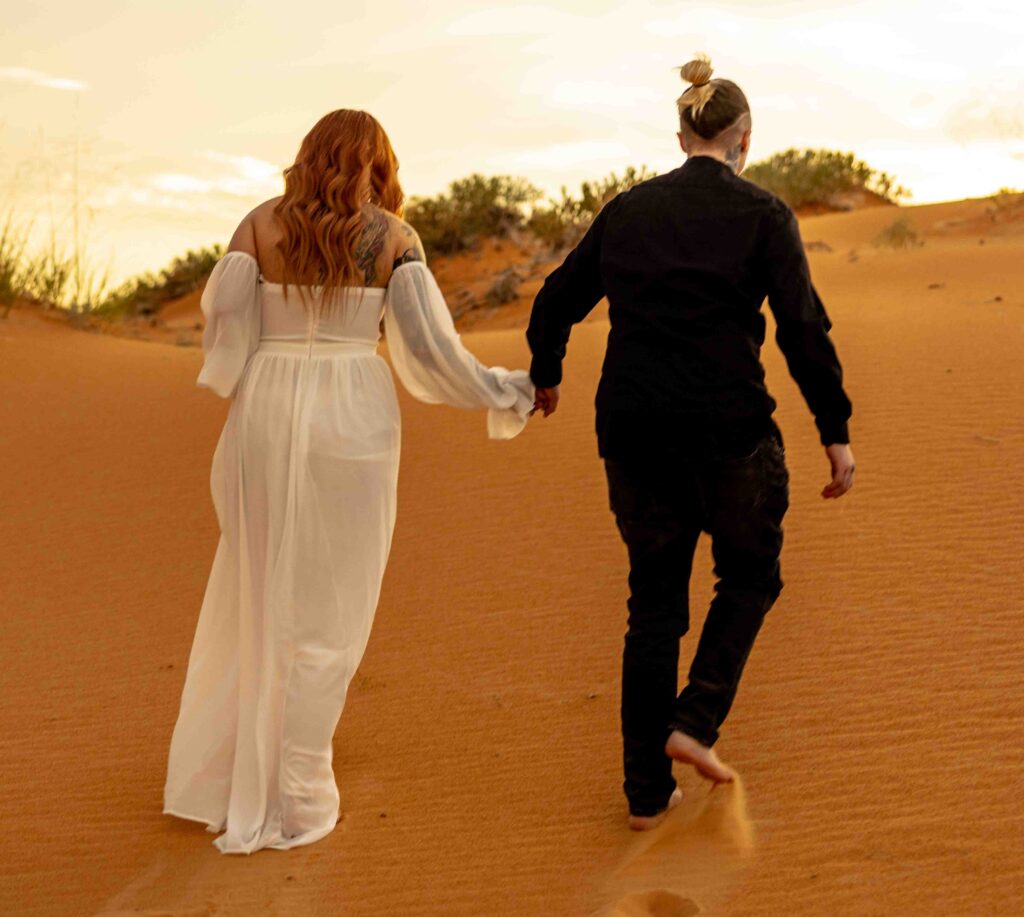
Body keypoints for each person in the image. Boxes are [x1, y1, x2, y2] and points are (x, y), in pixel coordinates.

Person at [163, 109, 534, 854]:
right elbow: (430, 352)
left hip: (264, 414)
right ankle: (299, 792)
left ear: (309, 155)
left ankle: (244, 777)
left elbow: (225, 339)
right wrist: (504, 389)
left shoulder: (257, 227)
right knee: (336, 601)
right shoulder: (394, 239)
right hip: (352, 420)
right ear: (379, 163)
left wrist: (259, 362)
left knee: (262, 587)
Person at [526, 55, 855, 831]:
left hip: (635, 437)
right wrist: (834, 429)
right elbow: (803, 329)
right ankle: (694, 721)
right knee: (748, 578)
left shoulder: (628, 211)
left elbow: (557, 298)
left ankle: (645, 794)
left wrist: (547, 373)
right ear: (743, 136)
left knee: (654, 608)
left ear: (681, 134)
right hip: (730, 432)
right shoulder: (764, 215)